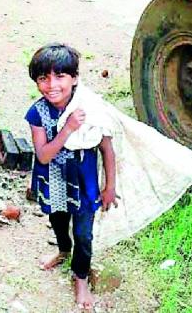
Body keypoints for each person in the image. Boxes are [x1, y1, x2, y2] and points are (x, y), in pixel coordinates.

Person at [24, 43, 117, 309]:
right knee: (58, 219)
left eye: (60, 76)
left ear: (74, 78)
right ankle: (63, 249)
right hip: (52, 178)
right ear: (37, 82)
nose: (52, 85)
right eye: (43, 78)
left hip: (84, 181)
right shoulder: (37, 113)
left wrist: (110, 186)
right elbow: (43, 156)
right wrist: (66, 129)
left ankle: (81, 276)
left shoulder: (90, 107)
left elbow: (107, 149)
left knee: (84, 234)